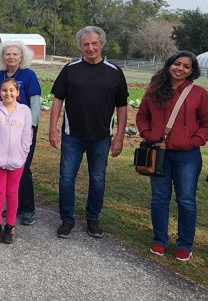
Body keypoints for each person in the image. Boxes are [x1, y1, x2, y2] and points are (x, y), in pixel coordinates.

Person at [48, 26, 128, 239]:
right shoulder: (70, 69)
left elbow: (121, 106)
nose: (90, 48)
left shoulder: (114, 72)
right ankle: (67, 219)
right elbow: (57, 99)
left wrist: (119, 136)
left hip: (101, 137)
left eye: (94, 43)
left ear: (101, 44)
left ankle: (93, 218)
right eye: (86, 44)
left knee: (98, 179)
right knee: (66, 179)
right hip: (72, 135)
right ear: (80, 46)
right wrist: (52, 129)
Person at [135, 51, 208, 261]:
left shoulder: (199, 93)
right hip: (158, 152)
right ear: (170, 65)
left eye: (186, 66)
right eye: (177, 64)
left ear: (192, 71)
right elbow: (142, 116)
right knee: (159, 198)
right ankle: (160, 240)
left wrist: (193, 141)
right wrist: (148, 135)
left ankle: (184, 244)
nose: (180, 68)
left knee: (186, 200)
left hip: (187, 156)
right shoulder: (155, 90)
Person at [0, 41, 43, 226]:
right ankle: (15, 205)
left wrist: (32, 126)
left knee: (22, 168)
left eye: (15, 54)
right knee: (5, 167)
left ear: (22, 57)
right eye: (7, 54)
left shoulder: (29, 75)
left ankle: (27, 208)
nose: (11, 57)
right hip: (3, 129)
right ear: (2, 57)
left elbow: (35, 102)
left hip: (23, 129)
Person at [0, 78, 33, 244]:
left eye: (11, 90)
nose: (8, 93)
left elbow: (27, 135)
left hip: (16, 160)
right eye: (4, 90)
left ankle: (10, 225)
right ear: (0, 93)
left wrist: (23, 154)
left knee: (12, 193)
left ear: (17, 93)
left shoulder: (25, 111)